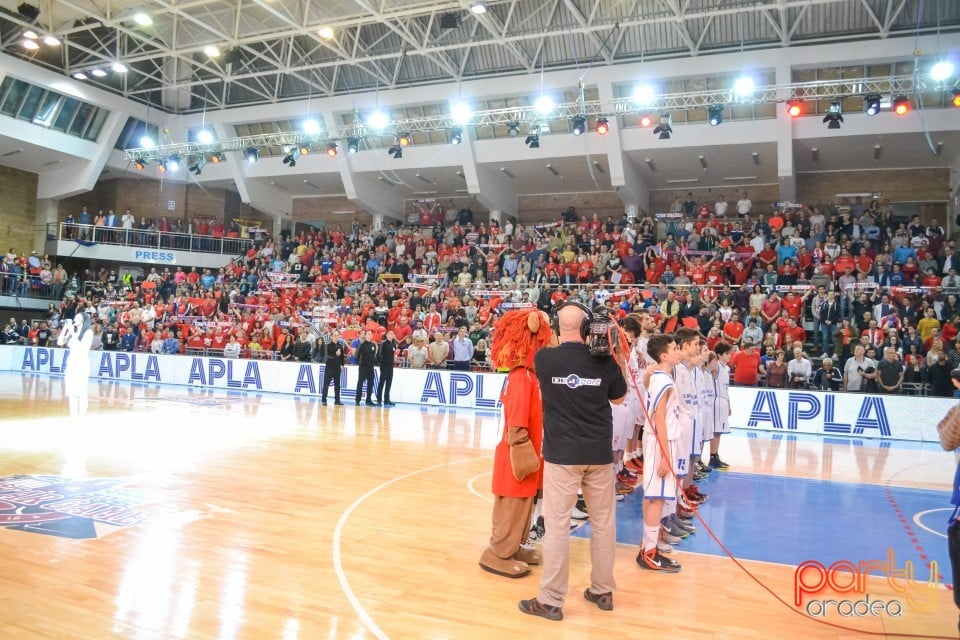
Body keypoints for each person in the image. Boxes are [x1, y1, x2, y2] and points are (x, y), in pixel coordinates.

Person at [519, 301, 627, 621]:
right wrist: (614, 353)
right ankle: (602, 590)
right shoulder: (604, 360)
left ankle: (551, 600)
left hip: (562, 456)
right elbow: (619, 398)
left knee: (556, 527)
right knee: (604, 524)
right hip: (598, 455)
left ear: (556, 327)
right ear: (586, 328)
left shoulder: (544, 359)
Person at [479, 308, 553, 579]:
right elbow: (517, 423)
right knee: (512, 506)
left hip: (527, 453)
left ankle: (514, 547)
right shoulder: (522, 377)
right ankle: (497, 553)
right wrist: (523, 451)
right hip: (517, 455)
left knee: (524, 505)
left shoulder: (528, 376)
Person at [636, 332, 684, 572]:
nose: (678, 351)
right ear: (664, 355)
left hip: (658, 441)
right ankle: (649, 552)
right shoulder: (662, 380)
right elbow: (660, 421)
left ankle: (646, 546)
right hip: (661, 442)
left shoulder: (659, 377)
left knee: (653, 496)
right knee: (656, 498)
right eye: (675, 348)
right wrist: (665, 455)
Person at [56, 312, 92, 417]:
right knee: (71, 392)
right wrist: (66, 328)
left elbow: (80, 345)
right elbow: (60, 342)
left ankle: (82, 416)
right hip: (72, 363)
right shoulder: (73, 331)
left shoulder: (88, 332)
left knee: (81, 392)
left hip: (82, 364)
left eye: (78, 318)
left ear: (83, 320)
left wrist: (71, 330)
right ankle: (73, 415)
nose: (75, 319)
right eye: (75, 317)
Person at [355, 330, 379, 406]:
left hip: (371, 367)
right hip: (363, 367)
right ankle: (358, 400)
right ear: (365, 336)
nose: (369, 335)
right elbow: (356, 356)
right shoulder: (362, 345)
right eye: (367, 334)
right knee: (360, 383)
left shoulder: (373, 345)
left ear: (372, 336)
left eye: (370, 334)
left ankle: (368, 400)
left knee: (371, 383)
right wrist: (361, 362)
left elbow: (374, 356)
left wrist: (376, 363)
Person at [322, 330, 346, 405]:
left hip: (337, 368)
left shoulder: (340, 346)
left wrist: (342, 365)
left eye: (337, 335)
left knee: (337, 385)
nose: (336, 337)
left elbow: (342, 357)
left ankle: (337, 400)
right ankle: (324, 400)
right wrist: (335, 354)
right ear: (331, 337)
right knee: (326, 384)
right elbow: (327, 356)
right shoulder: (328, 345)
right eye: (334, 335)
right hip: (329, 367)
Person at [376, 330, 397, 407]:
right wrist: (381, 362)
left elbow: (392, 354)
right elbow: (379, 354)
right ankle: (378, 399)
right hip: (384, 365)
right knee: (381, 382)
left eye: (393, 333)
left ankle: (387, 399)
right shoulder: (383, 343)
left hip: (390, 365)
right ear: (387, 335)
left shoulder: (394, 344)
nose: (392, 334)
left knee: (389, 383)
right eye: (390, 333)